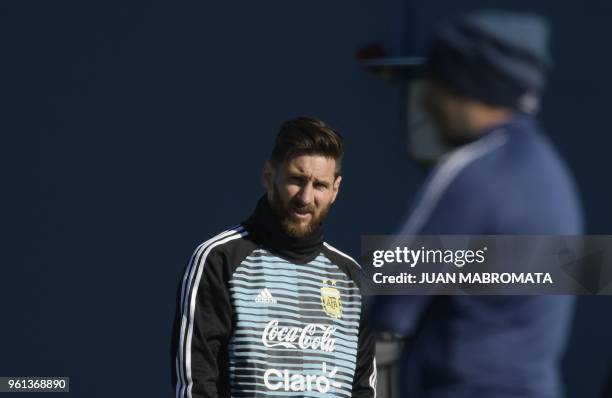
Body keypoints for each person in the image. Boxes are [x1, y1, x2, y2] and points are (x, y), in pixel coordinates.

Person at [371, 11, 584, 398]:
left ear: (466, 86)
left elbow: (388, 300)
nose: (428, 103)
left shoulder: (473, 173)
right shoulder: (554, 177)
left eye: (435, 84)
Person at [171, 117, 377, 398]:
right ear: (269, 175)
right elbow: (196, 385)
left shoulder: (352, 278)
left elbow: (363, 389)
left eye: (320, 185)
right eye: (296, 180)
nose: (305, 197)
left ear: (335, 190)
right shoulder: (219, 260)